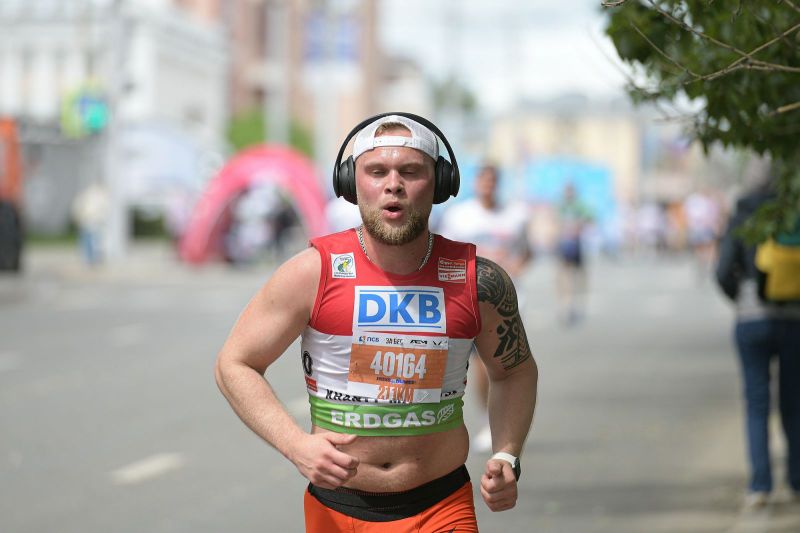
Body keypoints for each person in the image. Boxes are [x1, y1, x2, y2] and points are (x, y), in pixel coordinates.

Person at [215, 113, 538, 531]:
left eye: (411, 171)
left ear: (440, 183)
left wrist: (507, 454)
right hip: (337, 509)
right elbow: (235, 363)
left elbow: (514, 371)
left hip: (442, 505)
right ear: (352, 183)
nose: (393, 185)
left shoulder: (478, 279)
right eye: (377, 171)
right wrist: (295, 445)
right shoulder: (313, 272)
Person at [715, 175, 800, 509]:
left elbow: (723, 272)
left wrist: (742, 298)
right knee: (794, 403)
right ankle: (796, 481)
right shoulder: (792, 212)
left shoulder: (743, 215)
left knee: (756, 403)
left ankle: (760, 485)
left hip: (752, 319)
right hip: (794, 319)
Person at [438, 163, 532, 452]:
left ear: (497, 183)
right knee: (480, 364)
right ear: (476, 183)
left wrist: (517, 264)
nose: (487, 185)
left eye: (492, 180)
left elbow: (527, 250)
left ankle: (503, 426)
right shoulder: (459, 216)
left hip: (507, 298)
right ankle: (486, 421)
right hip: (468, 297)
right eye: (483, 180)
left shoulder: (515, 216)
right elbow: (441, 252)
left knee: (507, 364)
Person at [555, 183, 592, 325]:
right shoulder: (561, 205)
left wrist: (578, 226)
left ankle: (576, 301)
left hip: (576, 245)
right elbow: (555, 222)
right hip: (564, 244)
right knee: (564, 274)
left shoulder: (579, 205)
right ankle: (565, 303)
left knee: (580, 275)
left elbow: (589, 218)